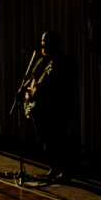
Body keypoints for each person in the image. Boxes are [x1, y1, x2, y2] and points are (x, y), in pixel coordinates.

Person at [24, 31, 78, 183]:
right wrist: (27, 90)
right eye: (42, 40)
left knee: (59, 138)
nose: (42, 44)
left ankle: (66, 171)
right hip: (40, 107)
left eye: (46, 41)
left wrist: (46, 89)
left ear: (55, 43)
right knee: (47, 140)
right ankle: (54, 167)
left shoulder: (66, 62)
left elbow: (66, 86)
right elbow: (33, 79)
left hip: (58, 107)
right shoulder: (41, 61)